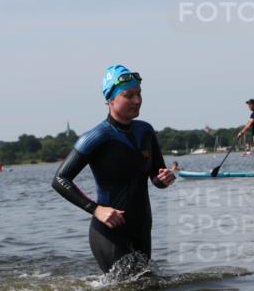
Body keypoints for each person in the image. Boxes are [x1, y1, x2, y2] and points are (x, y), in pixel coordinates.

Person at [52, 65, 176, 273]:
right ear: (110, 100)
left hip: (142, 228)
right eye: (129, 95)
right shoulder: (96, 137)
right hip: (109, 231)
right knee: (134, 290)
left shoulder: (145, 131)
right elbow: (60, 179)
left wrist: (163, 178)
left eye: (139, 94)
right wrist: (96, 209)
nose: (137, 101)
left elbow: (156, 175)